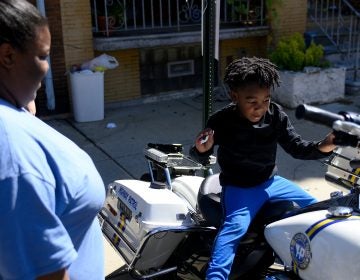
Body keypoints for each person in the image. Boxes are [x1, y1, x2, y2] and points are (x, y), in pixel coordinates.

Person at [191, 57, 336, 280]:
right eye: (252, 101)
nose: (260, 108)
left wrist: (323, 147)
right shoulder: (221, 120)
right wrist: (202, 149)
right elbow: (201, 154)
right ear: (234, 97)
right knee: (233, 231)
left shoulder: (276, 115)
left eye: (266, 100)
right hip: (240, 188)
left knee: (321, 211)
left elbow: (296, 147)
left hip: (272, 182)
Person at [0, 1, 105, 279]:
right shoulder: (11, 149)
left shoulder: (13, 120)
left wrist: (22, 109)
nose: (47, 68)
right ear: (7, 56)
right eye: (43, 56)